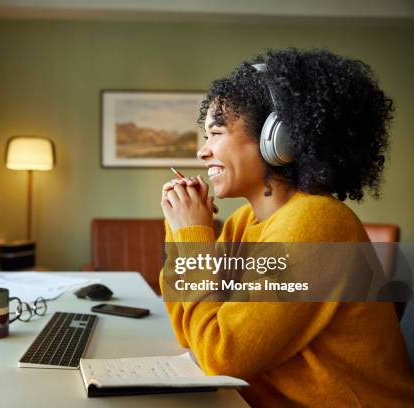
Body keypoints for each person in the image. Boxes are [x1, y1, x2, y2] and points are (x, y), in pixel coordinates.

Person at [160, 48, 414, 406]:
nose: (203, 151)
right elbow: (191, 332)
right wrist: (180, 229)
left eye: (216, 133)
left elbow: (221, 354)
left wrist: (192, 239)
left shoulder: (317, 222)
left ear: (278, 139)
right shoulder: (242, 223)